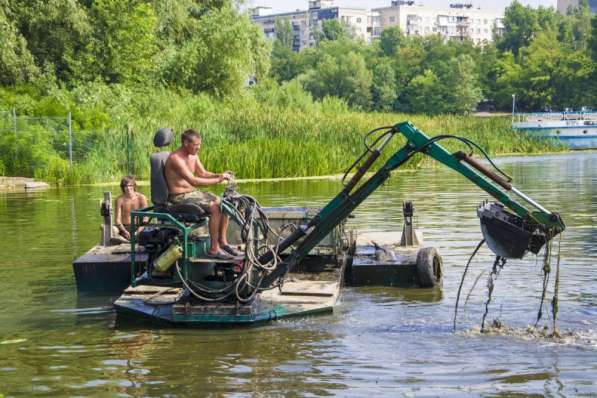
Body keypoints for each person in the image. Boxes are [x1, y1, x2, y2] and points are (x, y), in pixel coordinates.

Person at [164, 128, 241, 260]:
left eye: (199, 145)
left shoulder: (193, 155)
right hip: (180, 197)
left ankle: (222, 242)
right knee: (214, 207)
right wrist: (218, 180)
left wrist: (221, 174)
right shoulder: (175, 158)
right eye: (196, 145)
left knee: (225, 203)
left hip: (193, 194)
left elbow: (202, 173)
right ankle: (214, 249)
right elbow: (194, 180)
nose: (198, 148)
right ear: (185, 143)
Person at [114, 176, 148, 240]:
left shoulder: (141, 197)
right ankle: (124, 239)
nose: (128, 188)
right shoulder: (119, 200)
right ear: (123, 188)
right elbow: (117, 220)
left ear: (134, 186)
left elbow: (145, 218)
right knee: (113, 230)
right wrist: (124, 231)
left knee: (147, 233)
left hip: (139, 226)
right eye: (126, 186)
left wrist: (139, 230)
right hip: (124, 227)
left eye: (130, 185)